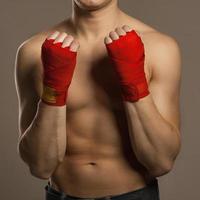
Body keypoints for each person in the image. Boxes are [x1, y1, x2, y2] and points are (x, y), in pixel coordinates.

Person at [14, 0, 182, 200]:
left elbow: (161, 162)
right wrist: (53, 90)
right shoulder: (33, 52)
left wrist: (135, 84)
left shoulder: (160, 48)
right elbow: (40, 166)